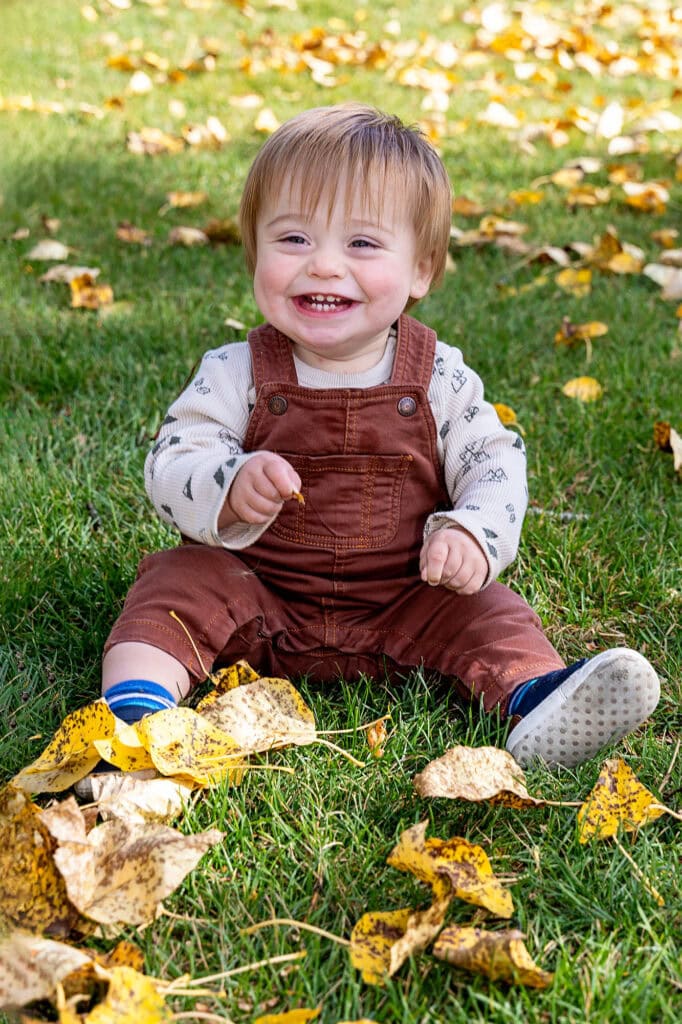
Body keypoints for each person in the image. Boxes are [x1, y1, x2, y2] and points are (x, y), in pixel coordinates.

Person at [98, 103, 660, 774]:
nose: (325, 267)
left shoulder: (439, 376)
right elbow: (171, 461)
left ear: (421, 270)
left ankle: (536, 697)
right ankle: (137, 713)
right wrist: (227, 485)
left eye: (361, 244)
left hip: (407, 595)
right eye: (294, 240)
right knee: (175, 584)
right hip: (260, 591)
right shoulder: (236, 371)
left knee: (493, 611)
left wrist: (472, 533)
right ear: (255, 252)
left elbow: (494, 461)